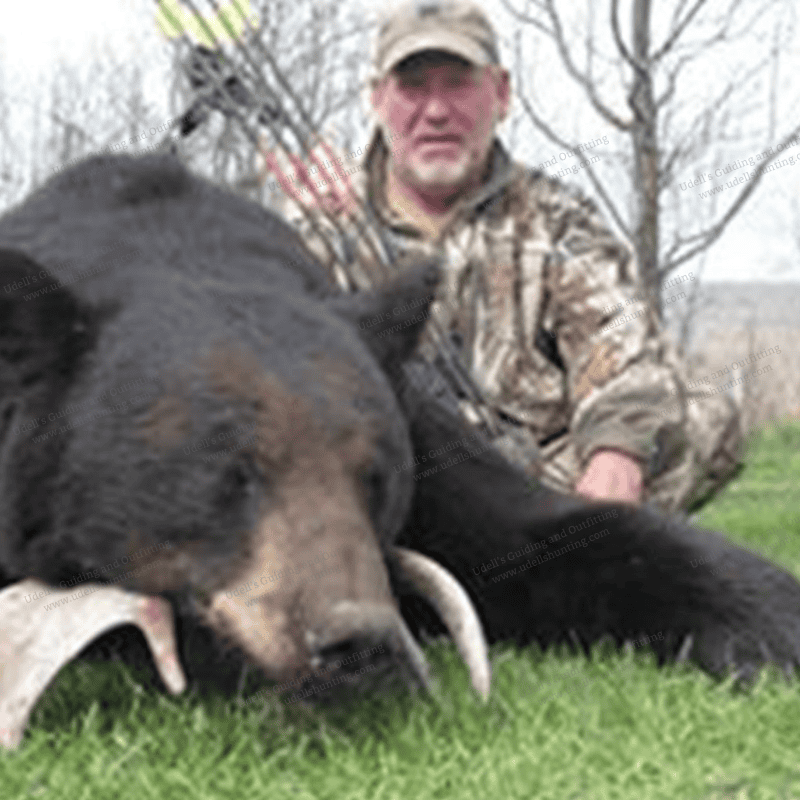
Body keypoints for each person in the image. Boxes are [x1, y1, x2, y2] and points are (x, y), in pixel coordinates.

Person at [260, 0, 742, 513]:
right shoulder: (318, 229)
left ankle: (562, 541)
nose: (437, 111)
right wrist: (310, 240)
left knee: (704, 414)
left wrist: (614, 452)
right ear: (377, 99)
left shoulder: (558, 218)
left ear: (502, 94)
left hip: (535, 483)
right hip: (391, 486)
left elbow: (621, 349)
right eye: (413, 87)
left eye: (458, 84)